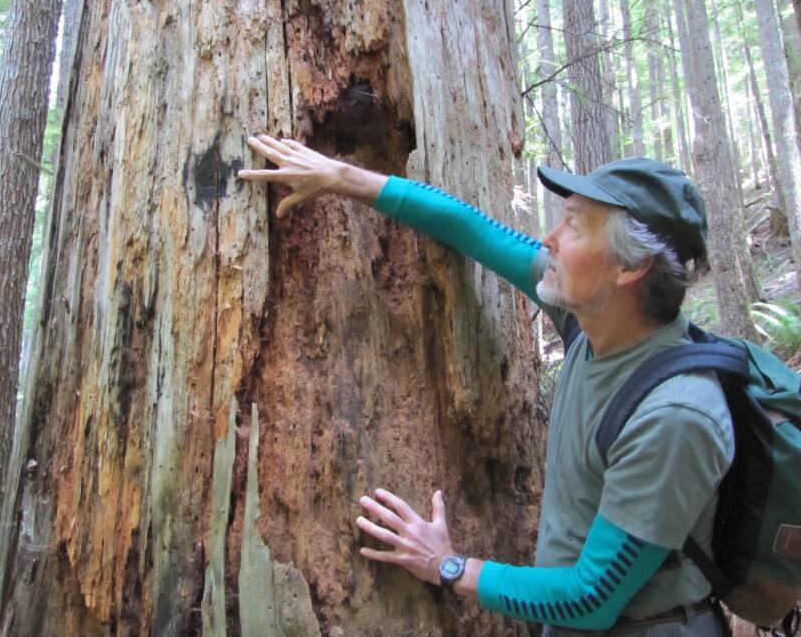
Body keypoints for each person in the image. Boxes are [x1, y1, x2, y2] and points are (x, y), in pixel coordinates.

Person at [238, 135, 733, 636]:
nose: (549, 237)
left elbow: (592, 597)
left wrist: (448, 565)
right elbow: (470, 227)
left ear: (632, 268)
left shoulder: (674, 415)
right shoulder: (594, 318)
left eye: (574, 224)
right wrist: (340, 177)